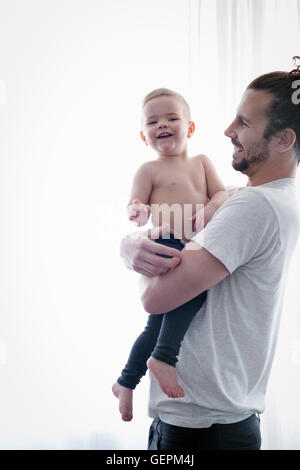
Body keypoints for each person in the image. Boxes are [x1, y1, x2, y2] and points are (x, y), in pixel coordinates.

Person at [118, 69, 300, 450]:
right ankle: (128, 379)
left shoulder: (253, 206)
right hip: (207, 420)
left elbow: (156, 298)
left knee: (156, 322)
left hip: (202, 429)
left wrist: (136, 254)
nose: (228, 129)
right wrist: (132, 243)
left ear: (284, 139)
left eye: (244, 122)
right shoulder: (257, 199)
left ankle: (137, 372)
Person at [112, 88, 228, 421]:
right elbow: (138, 207)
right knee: (192, 296)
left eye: (172, 118)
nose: (162, 124)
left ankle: (126, 381)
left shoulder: (202, 162)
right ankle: (164, 357)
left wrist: (210, 209)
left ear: (190, 128)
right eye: (153, 121)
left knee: (155, 325)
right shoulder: (148, 169)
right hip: (168, 244)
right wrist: (136, 212)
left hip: (197, 242)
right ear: (143, 134)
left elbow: (220, 193)